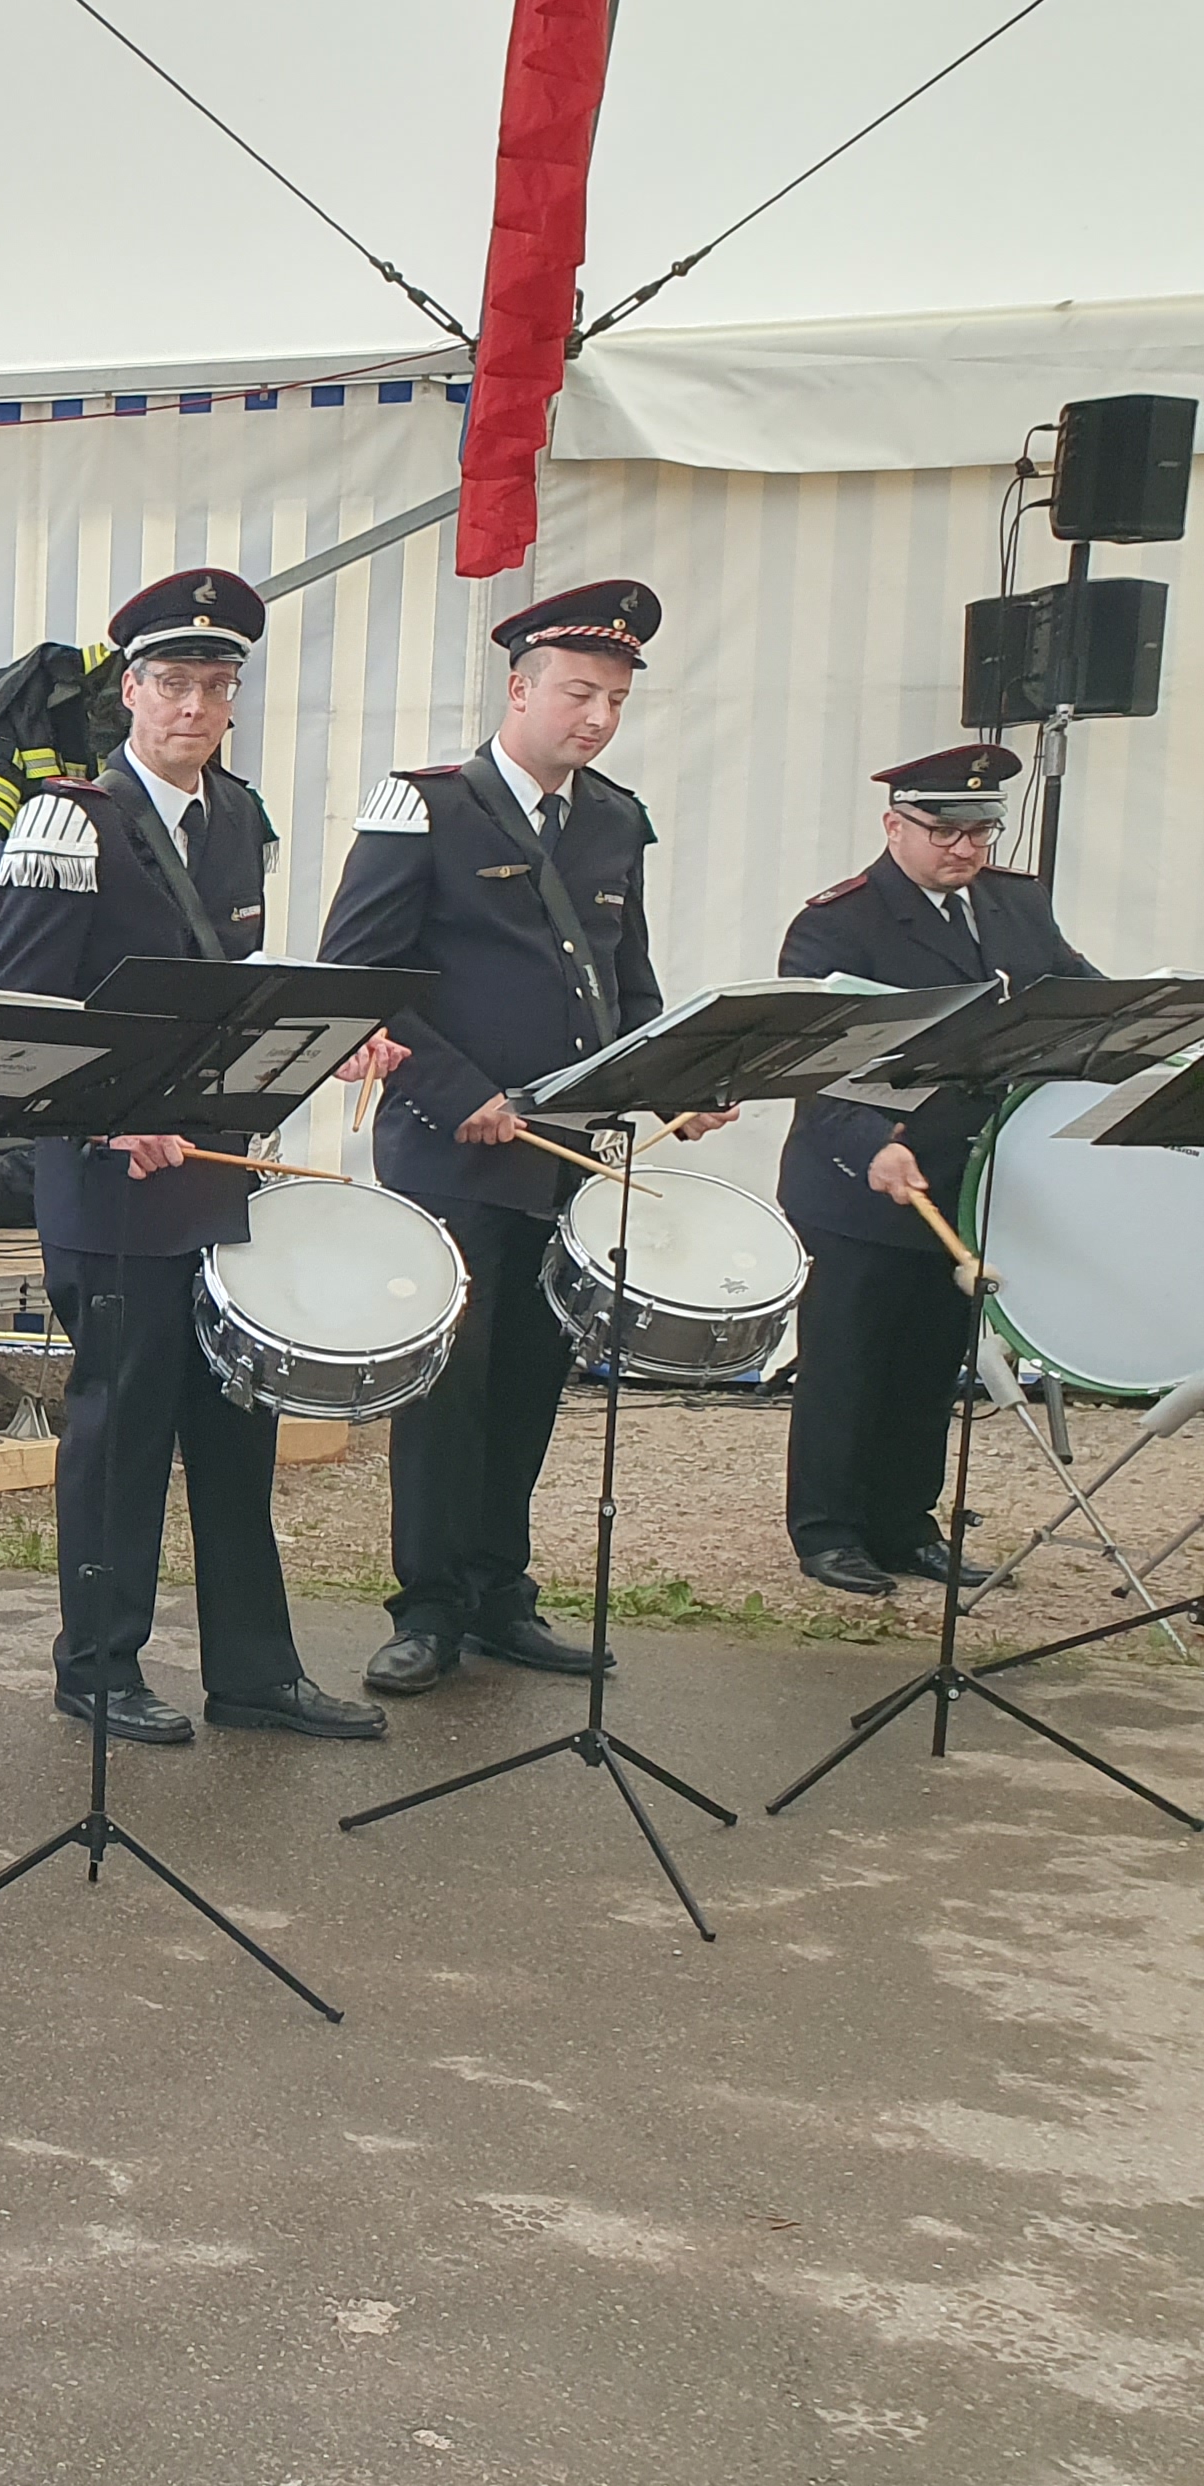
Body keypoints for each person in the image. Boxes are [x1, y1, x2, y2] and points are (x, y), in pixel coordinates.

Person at [0, 572, 383, 1747]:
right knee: (124, 1429)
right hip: (108, 1178)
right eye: (171, 682)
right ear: (129, 693)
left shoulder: (240, 817)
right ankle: (97, 1667)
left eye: (216, 685)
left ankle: (254, 1671)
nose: (194, 705)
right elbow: (24, 1013)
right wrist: (103, 1117)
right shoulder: (66, 819)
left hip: (212, 1171)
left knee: (234, 1429)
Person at [315, 580, 737, 1699]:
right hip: (455, 1149)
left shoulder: (612, 818)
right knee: (451, 1387)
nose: (595, 718)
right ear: (519, 687)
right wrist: (458, 1091)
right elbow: (357, 981)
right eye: (577, 693)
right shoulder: (425, 806)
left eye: (613, 700)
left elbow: (625, 981)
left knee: (535, 1382)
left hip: (569, 1155)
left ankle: (502, 1591)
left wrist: (678, 1083)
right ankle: (429, 1607)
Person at [776, 742, 1095, 1596]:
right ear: (894, 825)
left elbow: (1074, 997)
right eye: (945, 830)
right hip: (862, 1175)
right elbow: (811, 1061)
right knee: (849, 1361)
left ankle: (902, 1522)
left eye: (982, 832)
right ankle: (829, 1529)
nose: (965, 849)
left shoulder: (1016, 905)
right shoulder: (838, 923)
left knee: (928, 1366)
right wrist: (869, 1142)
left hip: (967, 1173)